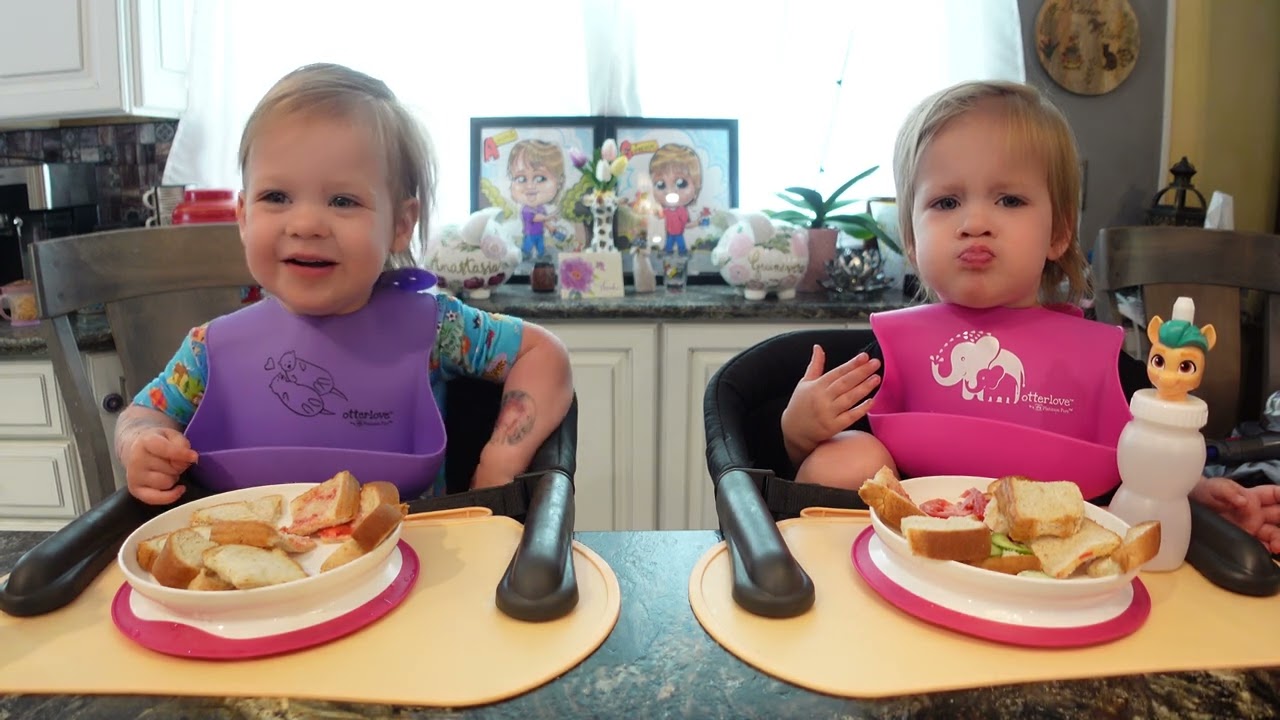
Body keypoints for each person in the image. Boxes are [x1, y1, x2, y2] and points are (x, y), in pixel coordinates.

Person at [779, 79, 1280, 552]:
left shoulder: (1097, 361)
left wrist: (1193, 493)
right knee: (847, 455)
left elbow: (1149, 451)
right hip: (914, 558)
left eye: (1009, 199)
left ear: (1058, 232)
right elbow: (821, 461)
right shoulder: (896, 351)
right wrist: (799, 432)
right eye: (946, 201)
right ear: (911, 239)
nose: (975, 223)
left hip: (1059, 578)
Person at [115, 63, 573, 506]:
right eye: (276, 197)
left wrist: (501, 458)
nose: (307, 223)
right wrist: (141, 445)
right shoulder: (207, 352)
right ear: (243, 216)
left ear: (400, 224)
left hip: (411, 568)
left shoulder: (439, 329)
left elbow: (542, 353)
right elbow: (142, 414)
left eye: (342, 200)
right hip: (248, 580)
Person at [508, 139, 565, 260]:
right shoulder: (526, 210)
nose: (530, 186)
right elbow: (537, 218)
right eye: (521, 179)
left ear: (559, 182)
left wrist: (551, 228)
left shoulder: (541, 208)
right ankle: (524, 254)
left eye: (540, 178)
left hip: (539, 233)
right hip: (529, 234)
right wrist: (550, 216)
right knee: (527, 246)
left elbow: (543, 221)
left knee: (540, 246)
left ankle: (541, 255)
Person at [649, 144, 702, 256]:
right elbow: (660, 219)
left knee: (680, 242)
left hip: (678, 232)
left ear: (696, 188)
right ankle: (669, 251)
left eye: (681, 183)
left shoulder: (682, 211)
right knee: (670, 242)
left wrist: (696, 223)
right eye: (660, 184)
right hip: (670, 233)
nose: (670, 192)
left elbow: (685, 224)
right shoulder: (665, 211)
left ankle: (682, 251)